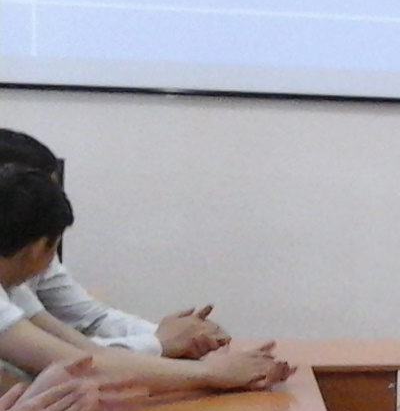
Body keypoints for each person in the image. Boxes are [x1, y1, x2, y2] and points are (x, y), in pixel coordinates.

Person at [0, 165, 289, 395]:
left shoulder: (14, 286)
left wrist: (187, 350)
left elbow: (88, 353)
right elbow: (83, 369)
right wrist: (211, 373)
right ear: (39, 247)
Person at [0, 130, 226, 359]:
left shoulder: (18, 279)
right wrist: (163, 344)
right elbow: (75, 360)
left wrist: (184, 336)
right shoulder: (27, 254)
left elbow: (87, 330)